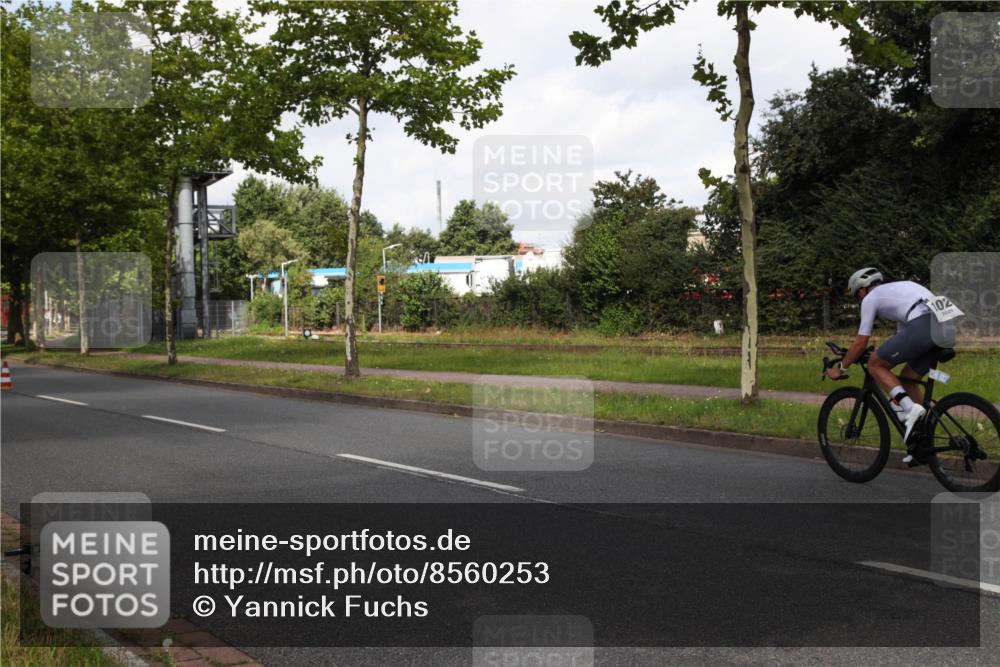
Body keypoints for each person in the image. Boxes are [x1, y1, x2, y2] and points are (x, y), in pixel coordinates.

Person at [825, 268, 940, 461]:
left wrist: (841, 368)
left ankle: (910, 408)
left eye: (857, 295)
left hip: (923, 326)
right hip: (946, 327)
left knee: (875, 365)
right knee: (907, 380)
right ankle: (923, 441)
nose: (860, 299)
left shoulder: (871, 298)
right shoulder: (903, 288)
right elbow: (902, 340)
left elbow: (861, 343)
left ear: (862, 289)